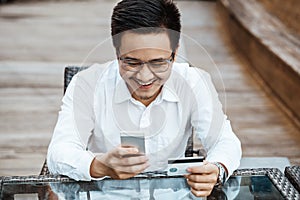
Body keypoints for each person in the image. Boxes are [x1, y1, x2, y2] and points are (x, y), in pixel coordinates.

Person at [47, 0, 242, 197]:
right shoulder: (87, 84)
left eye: (158, 63)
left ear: (174, 54)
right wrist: (98, 166)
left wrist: (216, 169)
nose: (145, 77)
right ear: (117, 52)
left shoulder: (194, 82)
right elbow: (59, 151)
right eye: (131, 62)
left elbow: (224, 141)